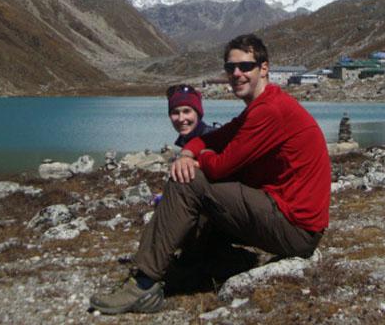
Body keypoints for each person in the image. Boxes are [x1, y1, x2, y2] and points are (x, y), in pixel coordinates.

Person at [90, 34, 332, 315]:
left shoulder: (270, 111)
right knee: (200, 180)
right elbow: (215, 137)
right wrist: (188, 152)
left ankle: (143, 284)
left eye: (245, 67)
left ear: (264, 68)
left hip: (295, 228)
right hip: (286, 216)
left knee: (190, 180)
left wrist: (195, 158)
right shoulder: (261, 107)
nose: (236, 74)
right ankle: (206, 264)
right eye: (231, 68)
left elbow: (219, 166)